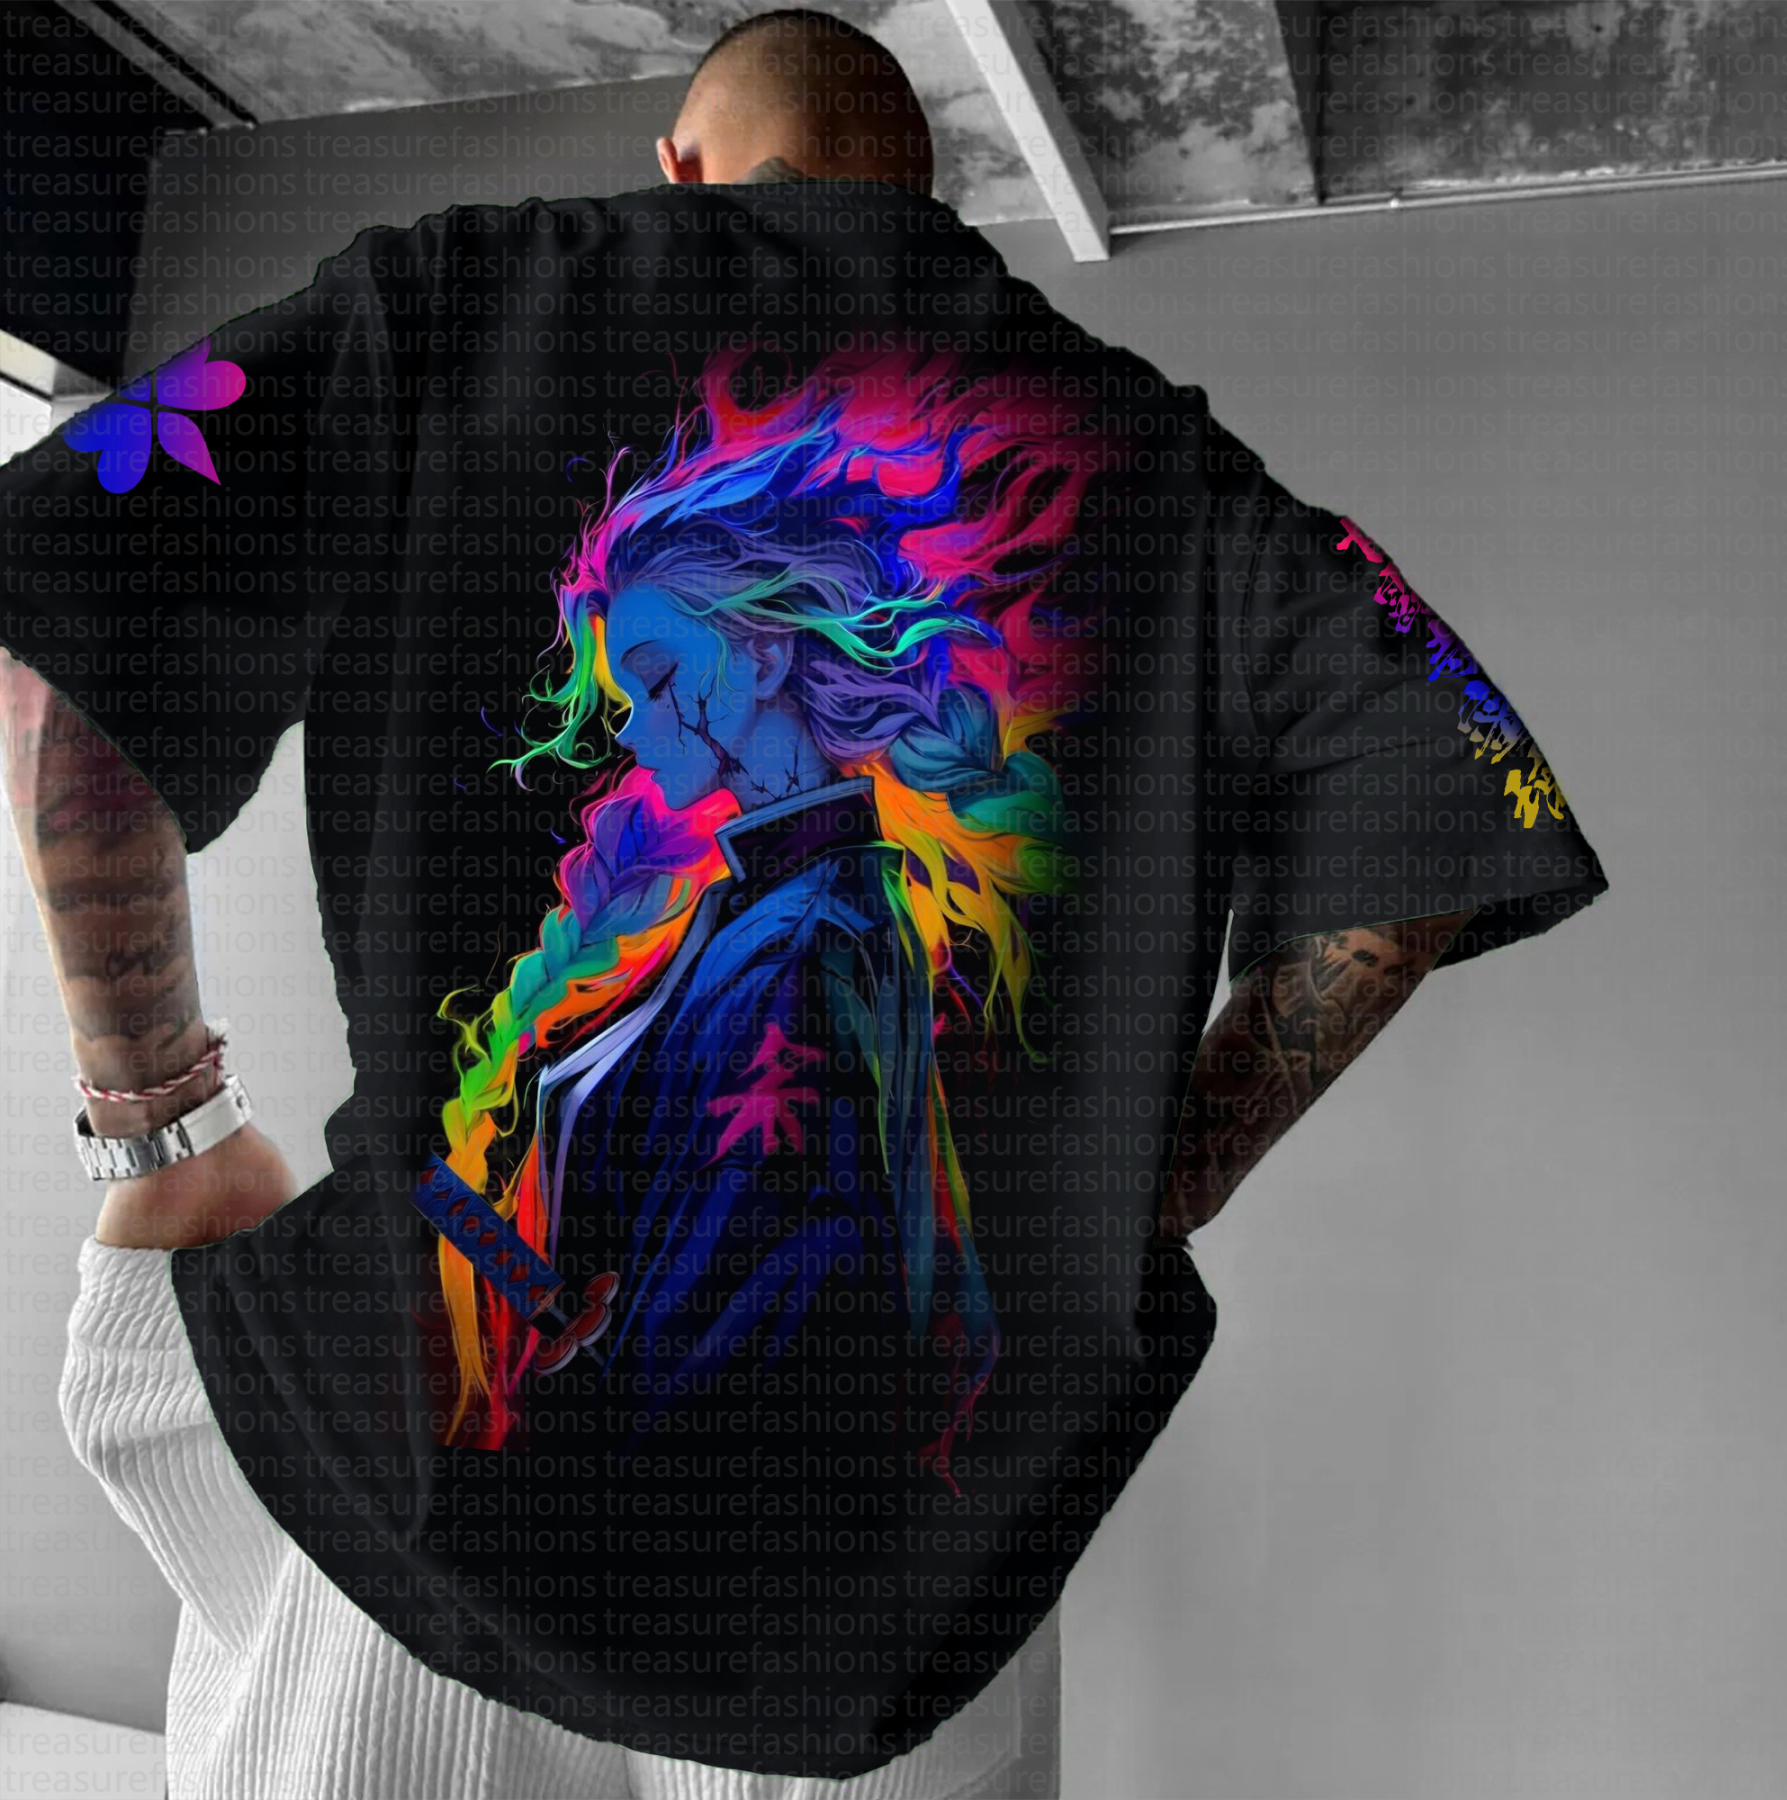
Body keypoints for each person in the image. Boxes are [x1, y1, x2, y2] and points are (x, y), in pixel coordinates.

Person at [0, 8, 1609, 1799]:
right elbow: (1451, 772)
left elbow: (63, 636)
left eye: (666, 682)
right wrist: (1151, 1194)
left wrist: (162, 1123)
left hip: (423, 1487)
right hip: (893, 1582)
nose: (642, 738)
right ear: (929, 189)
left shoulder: (454, 300)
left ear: (681, 163)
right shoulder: (1166, 467)